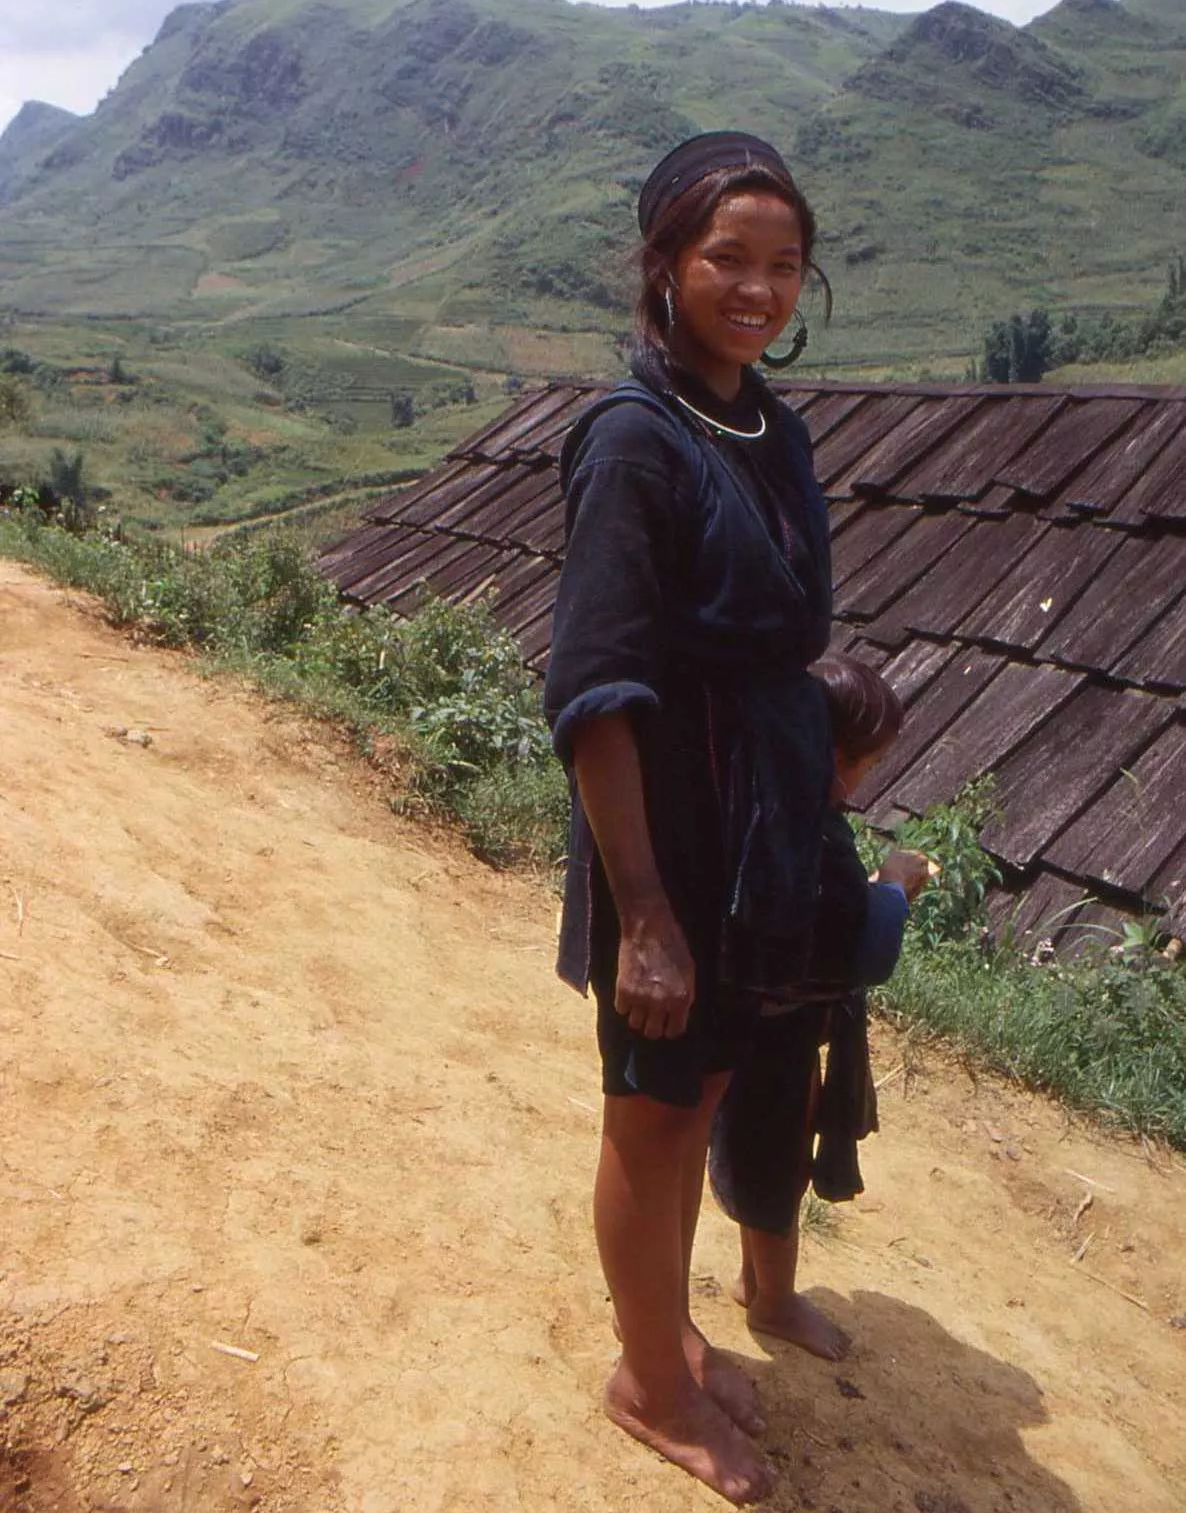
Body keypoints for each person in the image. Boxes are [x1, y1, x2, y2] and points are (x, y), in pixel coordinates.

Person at [544, 131, 836, 1506]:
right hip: (662, 835)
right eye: (728, 257)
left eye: (783, 264)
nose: (757, 287)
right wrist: (642, 910)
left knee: (704, 1085)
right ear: (662, 262)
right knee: (652, 1113)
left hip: (753, 836)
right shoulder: (630, 440)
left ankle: (668, 1329)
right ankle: (645, 1378)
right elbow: (596, 692)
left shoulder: (767, 426)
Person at [708, 654, 932, 1362]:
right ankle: (774, 1300)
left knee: (747, 1156)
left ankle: (752, 1279)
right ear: (838, 757)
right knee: (776, 1167)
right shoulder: (823, 842)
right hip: (780, 1039)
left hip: (733, 1021)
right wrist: (893, 887)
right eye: (867, 762)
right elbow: (867, 956)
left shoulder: (759, 802)